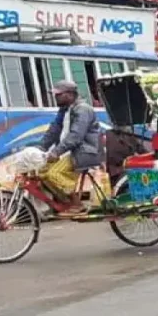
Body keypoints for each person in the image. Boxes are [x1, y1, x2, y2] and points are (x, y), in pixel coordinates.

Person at [39, 80, 107, 215]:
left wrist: (56, 152)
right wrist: (40, 148)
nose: (56, 97)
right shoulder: (64, 110)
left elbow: (76, 136)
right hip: (70, 151)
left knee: (54, 174)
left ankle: (77, 203)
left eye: (59, 95)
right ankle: (65, 202)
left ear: (70, 94)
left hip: (85, 152)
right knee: (41, 171)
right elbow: (53, 131)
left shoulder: (83, 109)